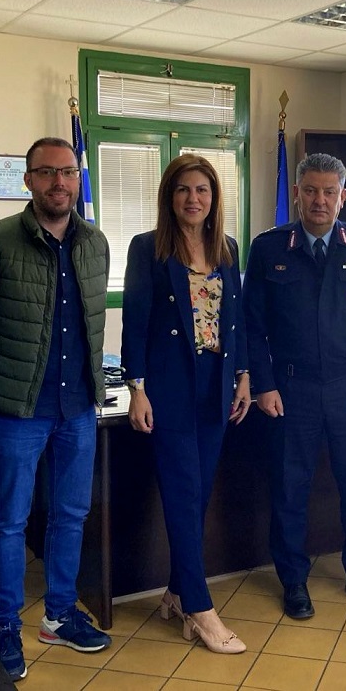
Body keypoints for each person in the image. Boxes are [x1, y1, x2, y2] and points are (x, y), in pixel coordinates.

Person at [0, 137, 111, 681]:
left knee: (71, 515)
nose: (58, 182)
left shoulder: (95, 243)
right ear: (28, 181)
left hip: (79, 407)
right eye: (46, 173)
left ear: (77, 179)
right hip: (18, 411)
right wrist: (0, 383)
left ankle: (60, 616)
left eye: (67, 172)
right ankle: (6, 630)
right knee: (9, 522)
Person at [243, 153, 346, 619]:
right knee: (290, 490)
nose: (320, 200)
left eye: (330, 192)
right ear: (296, 193)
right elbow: (251, 326)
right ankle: (293, 581)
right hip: (290, 391)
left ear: (343, 196)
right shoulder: (270, 248)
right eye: (311, 190)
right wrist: (264, 384)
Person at [122, 154, 251, 654]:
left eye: (202, 190)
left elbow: (236, 319)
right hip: (170, 389)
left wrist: (243, 375)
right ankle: (200, 609)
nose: (192, 199)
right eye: (182, 190)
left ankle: (176, 592)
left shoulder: (227, 248)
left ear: (214, 197)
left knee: (197, 498)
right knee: (182, 494)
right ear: (169, 197)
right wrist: (137, 388)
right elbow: (135, 320)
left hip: (215, 387)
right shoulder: (148, 248)